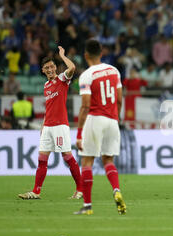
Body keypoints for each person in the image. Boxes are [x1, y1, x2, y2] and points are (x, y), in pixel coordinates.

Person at [18, 47, 83, 200]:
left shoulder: (62, 79)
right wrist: (43, 125)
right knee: (42, 159)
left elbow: (72, 67)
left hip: (60, 126)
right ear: (43, 70)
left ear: (56, 67)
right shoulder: (46, 86)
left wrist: (62, 56)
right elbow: (49, 107)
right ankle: (36, 191)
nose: (50, 69)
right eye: (47, 67)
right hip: (48, 127)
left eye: (52, 66)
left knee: (67, 157)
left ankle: (81, 189)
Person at [75, 39, 126, 215]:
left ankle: (88, 206)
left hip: (95, 119)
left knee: (87, 161)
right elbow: (120, 99)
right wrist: (116, 117)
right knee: (108, 160)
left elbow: (85, 106)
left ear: (86, 55)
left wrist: (79, 133)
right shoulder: (114, 70)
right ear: (102, 53)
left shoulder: (86, 75)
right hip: (112, 120)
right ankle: (116, 190)